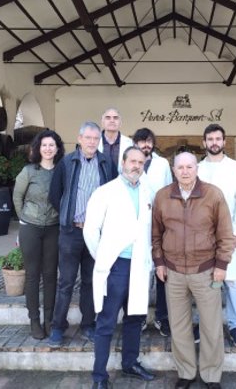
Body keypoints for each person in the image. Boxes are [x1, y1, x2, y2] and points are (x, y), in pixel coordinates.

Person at [152, 152, 235, 389]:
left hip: (206, 272)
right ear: (174, 170)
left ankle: (211, 376)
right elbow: (156, 235)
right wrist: (159, 262)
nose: (185, 171)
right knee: (179, 326)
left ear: (196, 169)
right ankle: (186, 373)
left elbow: (225, 234)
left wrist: (221, 266)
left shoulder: (213, 194)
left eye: (189, 167)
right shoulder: (162, 196)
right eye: (180, 167)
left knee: (211, 326)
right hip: (174, 273)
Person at [84, 146, 156, 389]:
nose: (137, 165)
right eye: (132, 161)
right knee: (106, 321)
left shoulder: (148, 192)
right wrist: (105, 257)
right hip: (115, 267)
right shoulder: (105, 192)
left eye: (141, 162)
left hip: (139, 265)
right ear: (123, 163)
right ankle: (99, 376)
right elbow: (90, 230)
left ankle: (130, 363)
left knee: (135, 317)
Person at [47, 121, 114, 347]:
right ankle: (58, 327)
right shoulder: (66, 163)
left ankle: (88, 324)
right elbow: (55, 194)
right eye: (88, 138)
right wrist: (68, 214)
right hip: (71, 232)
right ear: (79, 139)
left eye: (96, 139)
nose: (92, 142)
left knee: (90, 281)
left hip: (95, 234)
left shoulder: (106, 163)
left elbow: (112, 193)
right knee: (65, 282)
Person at [197, 123, 236, 348]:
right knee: (202, 281)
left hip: (229, 233)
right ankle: (203, 323)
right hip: (203, 235)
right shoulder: (197, 168)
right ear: (204, 143)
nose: (214, 143)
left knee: (233, 281)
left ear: (224, 142)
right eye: (210, 139)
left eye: (218, 139)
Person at [12, 129, 65, 340]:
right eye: (44, 145)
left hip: (53, 227)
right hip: (30, 227)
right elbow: (17, 197)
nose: (48, 148)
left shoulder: (62, 171)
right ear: (38, 148)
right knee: (33, 276)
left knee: (51, 275)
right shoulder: (28, 171)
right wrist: (23, 219)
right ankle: (34, 320)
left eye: (52, 145)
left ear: (57, 148)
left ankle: (49, 320)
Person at [132, 127, 173, 337]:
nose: (145, 145)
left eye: (148, 141)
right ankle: (138, 317)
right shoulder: (130, 163)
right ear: (135, 143)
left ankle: (162, 317)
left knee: (161, 273)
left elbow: (168, 191)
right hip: (137, 226)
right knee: (139, 275)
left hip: (159, 225)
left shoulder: (162, 163)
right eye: (141, 141)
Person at [97, 108, 133, 178]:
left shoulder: (130, 143)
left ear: (120, 123)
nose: (112, 120)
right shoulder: (94, 141)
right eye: (108, 118)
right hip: (99, 184)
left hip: (122, 185)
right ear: (102, 122)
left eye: (115, 118)